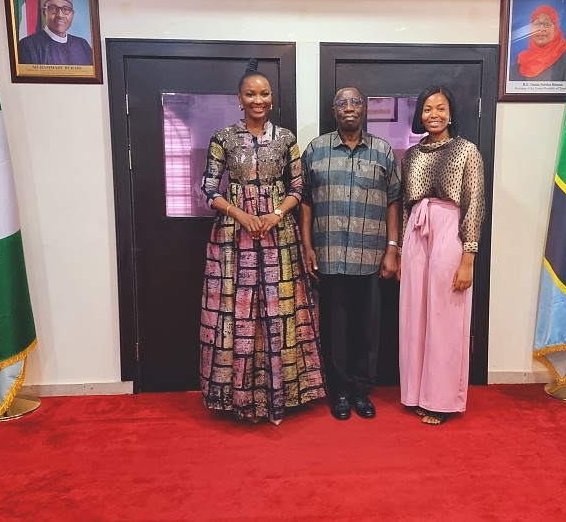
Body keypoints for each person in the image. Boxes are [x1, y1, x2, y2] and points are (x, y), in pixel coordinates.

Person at [198, 60, 326, 425]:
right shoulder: (223, 138)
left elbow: (299, 187)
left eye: (265, 93)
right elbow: (208, 187)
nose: (259, 100)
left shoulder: (286, 139)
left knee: (279, 309)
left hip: (279, 237)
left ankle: (281, 394)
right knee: (234, 311)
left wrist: (276, 215)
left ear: (272, 98)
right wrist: (241, 214)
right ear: (239, 98)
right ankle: (237, 396)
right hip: (233, 238)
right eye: (251, 94)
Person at [300, 87, 401, 421]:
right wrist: (307, 247)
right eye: (342, 103)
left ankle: (362, 391)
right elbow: (305, 203)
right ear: (334, 110)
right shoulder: (315, 150)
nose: (349, 107)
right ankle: (341, 392)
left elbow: (393, 202)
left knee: (368, 330)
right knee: (335, 330)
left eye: (355, 102)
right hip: (329, 256)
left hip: (370, 257)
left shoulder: (383, 151)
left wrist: (392, 248)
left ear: (365, 109)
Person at [398, 85, 484, 426]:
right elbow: (405, 206)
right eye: (427, 109)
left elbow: (475, 204)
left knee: (445, 317)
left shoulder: (466, 151)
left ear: (450, 114)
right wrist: (402, 251)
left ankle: (442, 400)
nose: (434, 114)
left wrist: (468, 258)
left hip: (451, 230)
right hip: (416, 232)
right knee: (415, 316)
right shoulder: (411, 155)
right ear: (420, 115)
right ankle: (417, 394)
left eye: (440, 108)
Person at [17, 0, 94, 66]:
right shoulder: (28, 45)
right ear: (44, 13)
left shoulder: (82, 45)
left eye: (66, 9)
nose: (60, 15)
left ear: (72, 14)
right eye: (53, 8)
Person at [510, 4, 566, 81]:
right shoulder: (521, 60)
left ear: (555, 28)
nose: (541, 28)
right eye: (537, 24)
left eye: (547, 24)